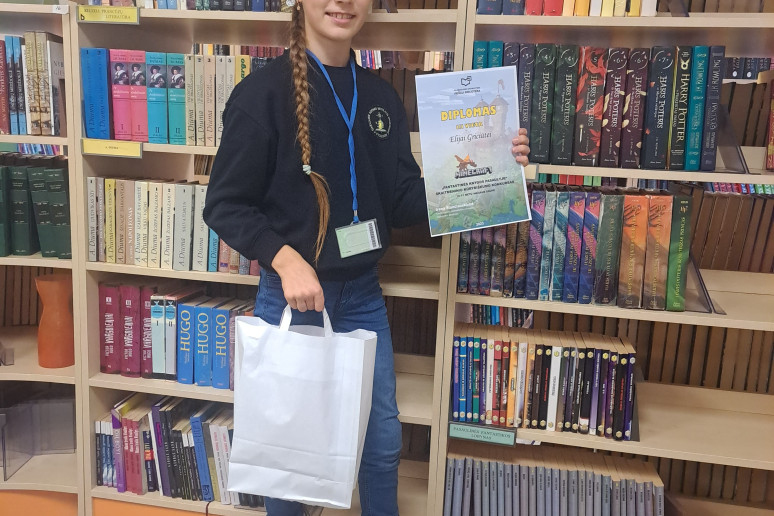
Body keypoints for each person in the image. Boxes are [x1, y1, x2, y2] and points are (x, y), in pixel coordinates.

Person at [201, 0, 531, 512]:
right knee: (289, 454)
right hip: (293, 300)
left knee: (381, 446)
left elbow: (402, 202)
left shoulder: (380, 97)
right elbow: (224, 204)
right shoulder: (261, 94)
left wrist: (492, 167)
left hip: (362, 298)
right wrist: (285, 259)